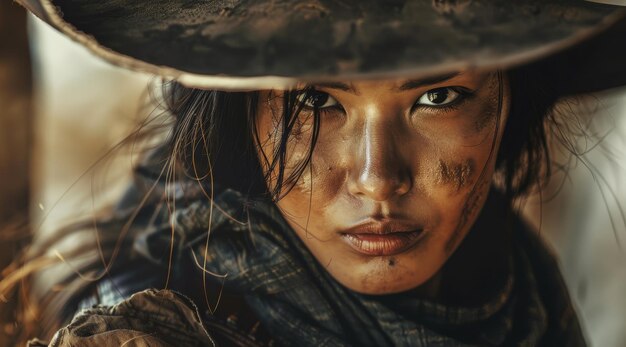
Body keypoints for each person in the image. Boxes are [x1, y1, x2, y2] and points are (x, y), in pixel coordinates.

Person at [10, 0, 626, 346]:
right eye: (314, 102)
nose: (376, 178)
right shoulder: (166, 330)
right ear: (239, 113)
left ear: (510, 100)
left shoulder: (516, 294)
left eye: (436, 98)